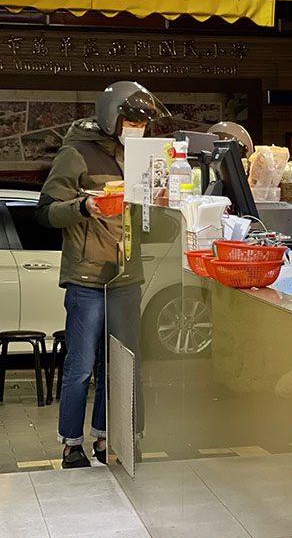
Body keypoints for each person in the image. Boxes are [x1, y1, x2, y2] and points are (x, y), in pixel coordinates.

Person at [35, 81, 170, 469]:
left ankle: (111, 439)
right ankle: (71, 444)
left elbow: (151, 222)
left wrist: (165, 201)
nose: (137, 128)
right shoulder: (76, 152)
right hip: (87, 277)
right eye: (131, 121)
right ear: (112, 118)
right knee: (80, 366)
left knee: (122, 365)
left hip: (127, 276)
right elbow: (46, 211)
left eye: (142, 123)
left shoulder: (142, 156)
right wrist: (84, 206)